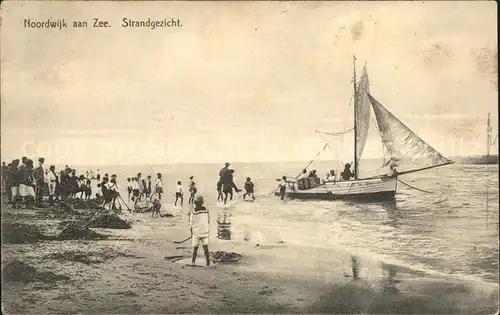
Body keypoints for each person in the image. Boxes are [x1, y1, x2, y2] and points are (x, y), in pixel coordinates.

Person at [189, 194, 210, 266]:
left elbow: (191, 223)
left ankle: (193, 262)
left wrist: (191, 231)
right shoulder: (206, 210)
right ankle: (208, 262)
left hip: (196, 232)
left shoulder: (193, 211)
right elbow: (208, 220)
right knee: (206, 248)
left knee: (195, 248)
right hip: (205, 231)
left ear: (195, 203)